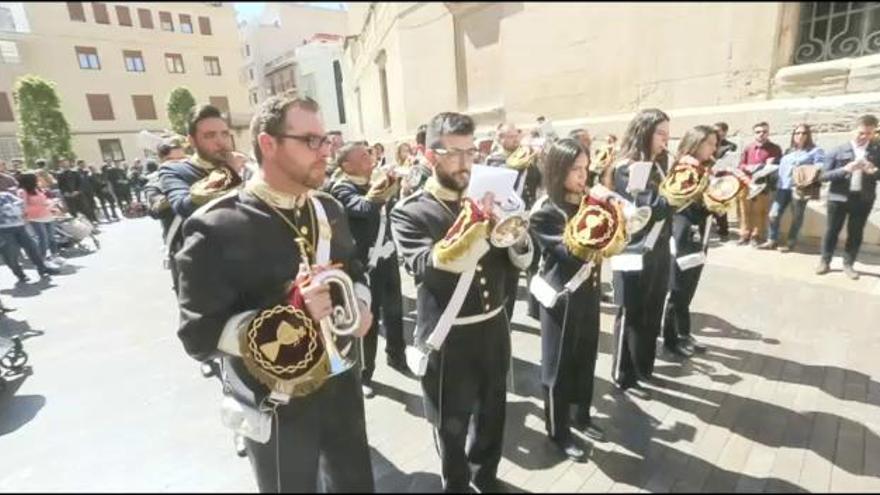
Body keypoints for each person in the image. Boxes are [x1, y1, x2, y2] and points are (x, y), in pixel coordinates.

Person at [175, 95, 375, 492]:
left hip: (341, 385)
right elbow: (198, 338)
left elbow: (354, 272)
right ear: (269, 144)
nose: (326, 152)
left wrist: (361, 306)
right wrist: (289, 315)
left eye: (326, 141)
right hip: (276, 401)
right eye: (311, 141)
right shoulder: (215, 226)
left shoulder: (328, 208)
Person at [390, 111, 533, 492]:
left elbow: (517, 260)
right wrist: (478, 225)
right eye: (453, 153)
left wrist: (515, 228)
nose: (465, 163)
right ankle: (455, 484)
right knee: (450, 423)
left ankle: (485, 477)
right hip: (449, 337)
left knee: (493, 414)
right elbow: (426, 267)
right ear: (427, 153)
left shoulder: (489, 199)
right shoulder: (411, 211)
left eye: (471, 152)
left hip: (492, 328)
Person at [529, 138, 606, 463]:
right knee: (557, 367)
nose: (582, 175)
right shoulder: (547, 210)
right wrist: (606, 229)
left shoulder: (588, 202)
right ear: (558, 170)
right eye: (575, 169)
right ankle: (558, 431)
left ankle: (582, 416)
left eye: (586, 168)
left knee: (586, 356)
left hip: (588, 294)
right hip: (561, 298)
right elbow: (569, 253)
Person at [330, 143, 409, 396]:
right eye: (362, 156)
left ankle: (397, 356)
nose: (370, 158)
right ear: (347, 165)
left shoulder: (371, 182)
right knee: (370, 320)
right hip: (367, 264)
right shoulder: (342, 188)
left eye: (369, 154)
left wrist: (394, 183)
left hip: (387, 258)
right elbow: (363, 209)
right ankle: (365, 373)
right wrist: (385, 185)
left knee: (395, 312)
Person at [609, 108, 672, 398]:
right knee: (631, 311)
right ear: (644, 132)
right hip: (633, 250)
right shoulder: (627, 166)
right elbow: (651, 207)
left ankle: (643, 366)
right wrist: (675, 194)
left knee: (652, 309)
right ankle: (623, 374)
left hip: (658, 249)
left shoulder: (657, 165)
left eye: (667, 135)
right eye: (660, 133)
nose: (665, 140)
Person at [158, 104, 241, 293]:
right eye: (210, 136)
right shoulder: (174, 170)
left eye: (224, 134)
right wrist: (228, 174)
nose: (221, 142)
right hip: (206, 274)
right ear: (192, 141)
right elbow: (183, 206)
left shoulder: (245, 166)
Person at [661, 125, 718, 359]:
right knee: (678, 289)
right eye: (710, 144)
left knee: (689, 288)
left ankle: (684, 333)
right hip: (684, 233)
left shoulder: (703, 168)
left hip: (698, 234)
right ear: (696, 143)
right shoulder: (685, 168)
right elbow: (679, 203)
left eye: (715, 144)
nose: (714, 149)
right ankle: (671, 339)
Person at [816, 114, 880, 280]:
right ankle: (825, 261)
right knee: (832, 231)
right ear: (853, 130)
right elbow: (823, 176)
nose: (864, 137)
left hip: (863, 199)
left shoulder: (876, 151)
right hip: (838, 198)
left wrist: (873, 171)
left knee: (856, 233)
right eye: (861, 133)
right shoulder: (838, 150)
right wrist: (845, 169)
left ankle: (848, 264)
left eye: (869, 134)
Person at [759, 123, 825, 252]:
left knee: (797, 217)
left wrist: (805, 168)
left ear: (808, 135)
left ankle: (790, 243)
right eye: (797, 133)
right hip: (782, 187)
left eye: (803, 133)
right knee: (773, 214)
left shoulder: (815, 150)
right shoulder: (789, 151)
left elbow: (821, 165)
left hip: (799, 188)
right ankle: (771, 240)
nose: (800, 136)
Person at [0, 178, 60, 283]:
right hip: (4, 231)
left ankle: (42, 269)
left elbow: (20, 203)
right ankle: (20, 275)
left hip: (19, 227)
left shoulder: (6, 195)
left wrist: (14, 208)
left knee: (32, 248)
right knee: (11, 254)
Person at [737, 121, 782, 246]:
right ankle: (744, 234)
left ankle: (755, 235)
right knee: (744, 210)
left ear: (768, 132)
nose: (761, 134)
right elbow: (741, 164)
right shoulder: (748, 147)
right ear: (754, 134)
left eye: (764, 131)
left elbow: (778, 166)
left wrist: (768, 165)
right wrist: (749, 168)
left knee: (759, 211)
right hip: (747, 183)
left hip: (763, 184)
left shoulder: (775, 148)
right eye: (758, 132)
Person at [18, 172, 61, 262]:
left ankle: (55, 255)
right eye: (35, 178)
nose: (37, 179)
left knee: (51, 237)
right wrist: (24, 217)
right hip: (35, 218)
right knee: (43, 238)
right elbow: (23, 205)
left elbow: (44, 200)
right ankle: (42, 258)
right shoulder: (23, 191)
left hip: (47, 215)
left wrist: (52, 205)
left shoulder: (37, 189)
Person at [712, 122, 738, 241]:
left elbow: (730, 163)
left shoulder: (731, 146)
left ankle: (723, 230)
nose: (716, 133)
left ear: (725, 132)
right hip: (709, 177)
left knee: (720, 205)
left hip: (722, 178)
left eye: (718, 131)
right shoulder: (710, 143)